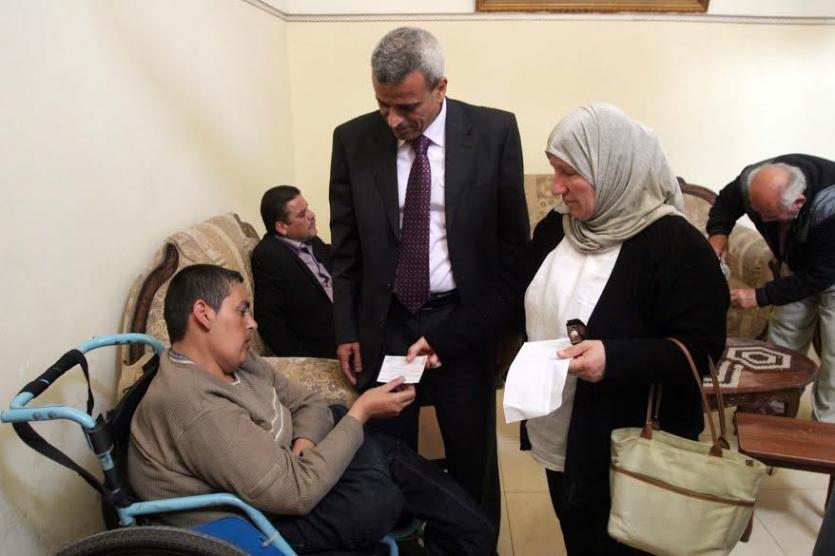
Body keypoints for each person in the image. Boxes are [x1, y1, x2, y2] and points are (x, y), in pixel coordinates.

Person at [409, 103, 729, 554]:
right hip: (564, 431)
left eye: (569, 173)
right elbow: (509, 295)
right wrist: (444, 338)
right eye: (554, 170)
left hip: (634, 443)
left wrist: (613, 358)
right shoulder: (559, 228)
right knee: (580, 534)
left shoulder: (676, 245)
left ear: (613, 168)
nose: (556, 187)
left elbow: (703, 349)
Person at [127, 264, 494, 555]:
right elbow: (295, 493)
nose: (252, 322)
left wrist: (304, 445)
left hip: (292, 475)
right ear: (203, 314)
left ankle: (471, 535)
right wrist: (361, 412)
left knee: (371, 447)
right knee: (376, 491)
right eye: (242, 311)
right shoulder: (194, 404)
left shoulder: (239, 361)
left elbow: (309, 404)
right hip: (255, 523)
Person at [328, 26, 529, 528]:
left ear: (441, 87)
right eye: (382, 105)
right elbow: (346, 248)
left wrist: (500, 329)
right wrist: (346, 328)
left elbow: (513, 249)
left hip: (462, 320)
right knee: (388, 460)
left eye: (406, 107)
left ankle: (474, 541)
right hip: (387, 321)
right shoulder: (352, 140)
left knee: (471, 457)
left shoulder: (494, 133)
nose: (393, 120)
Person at [706, 154, 835, 422]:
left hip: (829, 268)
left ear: (799, 203)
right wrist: (718, 234)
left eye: (771, 216)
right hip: (798, 262)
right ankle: (771, 411)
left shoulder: (829, 207)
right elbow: (726, 203)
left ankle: (826, 424)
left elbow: (820, 275)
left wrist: (759, 296)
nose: (763, 221)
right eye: (757, 212)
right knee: (783, 338)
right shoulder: (752, 182)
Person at [251, 185, 336, 358]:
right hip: (328, 341)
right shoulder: (268, 256)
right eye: (302, 214)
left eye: (308, 209)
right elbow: (269, 319)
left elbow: (334, 257)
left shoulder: (309, 239)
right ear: (282, 227)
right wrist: (301, 358)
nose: (312, 215)